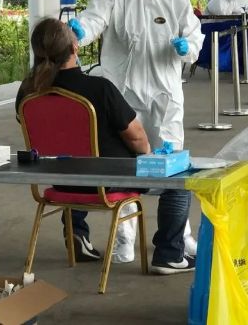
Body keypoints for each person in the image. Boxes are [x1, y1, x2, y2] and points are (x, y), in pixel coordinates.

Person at [69, 0, 204, 273]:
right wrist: (80, 30)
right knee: (125, 168)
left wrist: (187, 49)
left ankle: (178, 237)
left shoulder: (174, 0)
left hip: (163, 97)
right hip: (123, 97)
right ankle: (125, 237)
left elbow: (194, 36)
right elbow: (93, 19)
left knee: (173, 169)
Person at [16, 18, 150, 262]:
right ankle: (169, 253)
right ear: (75, 47)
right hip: (104, 182)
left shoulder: (27, 92)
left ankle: (76, 232)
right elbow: (138, 137)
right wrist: (147, 156)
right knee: (177, 185)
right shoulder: (100, 89)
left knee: (72, 160)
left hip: (58, 182)